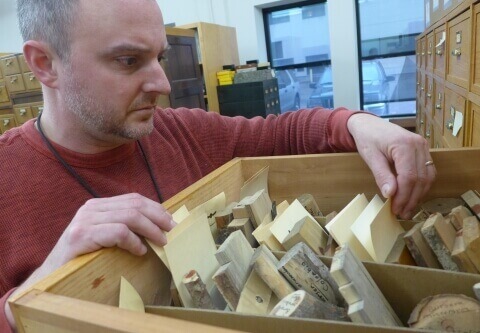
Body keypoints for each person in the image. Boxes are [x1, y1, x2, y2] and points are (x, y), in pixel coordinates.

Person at [0, 0, 435, 330]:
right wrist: (45, 280)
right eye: (129, 61)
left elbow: (284, 132)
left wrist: (360, 123)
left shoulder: (182, 132)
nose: (163, 84)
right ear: (44, 64)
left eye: (160, 57)